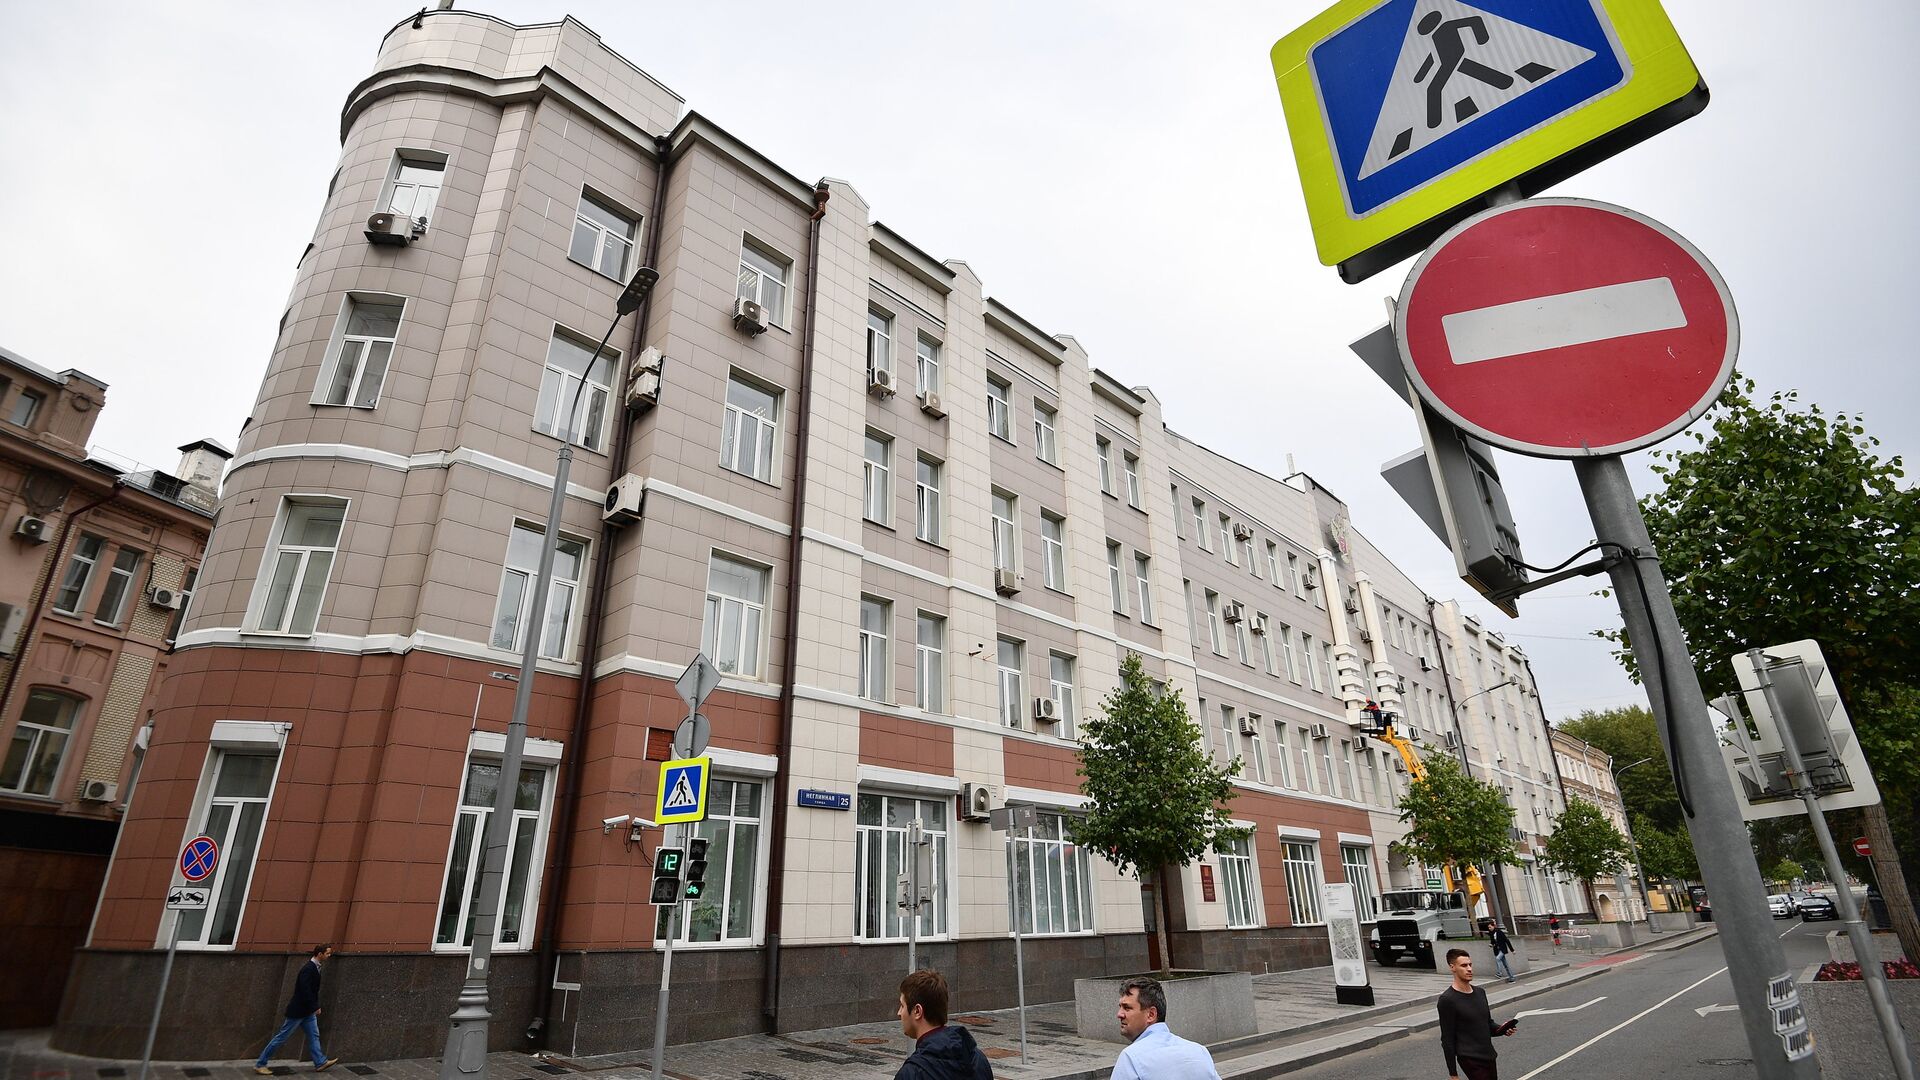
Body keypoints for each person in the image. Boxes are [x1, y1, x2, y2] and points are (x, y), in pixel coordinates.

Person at [1112, 976, 1221, 1080]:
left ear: (1151, 1014)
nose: (1119, 1014)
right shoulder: (1199, 1051)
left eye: (1127, 1008)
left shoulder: (1131, 1058)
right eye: (1120, 1007)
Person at [893, 969, 992, 1080]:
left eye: (902, 1006)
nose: (899, 1013)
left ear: (917, 1011)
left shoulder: (912, 1074)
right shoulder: (978, 1061)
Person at [254, 944, 338, 1073]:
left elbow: (312, 991)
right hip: (298, 1011)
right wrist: (314, 1006)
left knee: (314, 1035)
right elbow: (305, 990)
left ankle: (320, 1062)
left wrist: (313, 1006)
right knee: (282, 1037)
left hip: (307, 1012)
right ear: (319, 954)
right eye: (327, 953)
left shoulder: (316, 967)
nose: (329, 956)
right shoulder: (308, 969)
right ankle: (260, 1064)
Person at [1438, 948, 1517, 1080]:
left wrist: (1502, 1029)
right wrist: (1453, 1074)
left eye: (1470, 965)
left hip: (1489, 1055)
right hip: (1470, 1059)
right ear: (1453, 967)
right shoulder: (1447, 1000)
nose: (1469, 969)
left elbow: (1487, 1024)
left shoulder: (1480, 992)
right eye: (1464, 965)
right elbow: (1447, 1039)